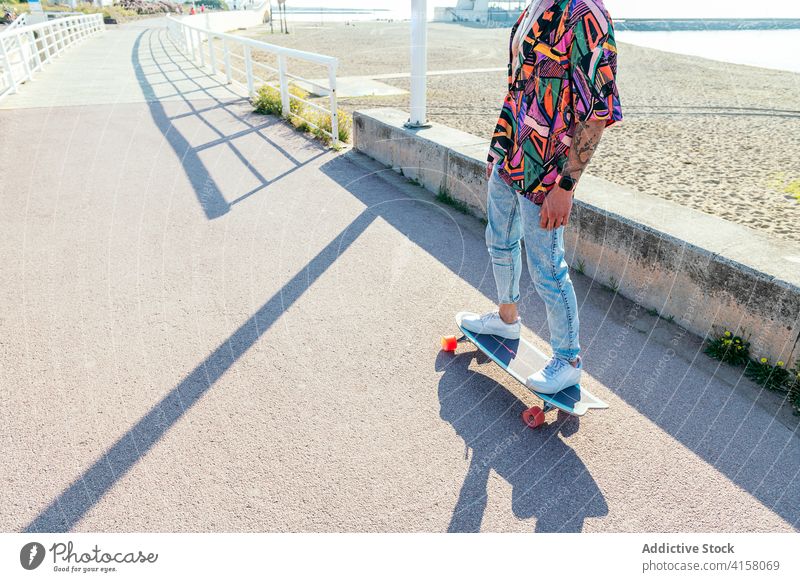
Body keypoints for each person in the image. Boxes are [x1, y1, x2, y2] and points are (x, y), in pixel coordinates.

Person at [458, 0, 622, 394]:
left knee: (548, 270)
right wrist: (498, 145)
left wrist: (566, 187)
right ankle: (506, 318)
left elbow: (597, 112)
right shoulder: (534, 6)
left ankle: (567, 360)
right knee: (498, 241)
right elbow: (518, 86)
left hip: (549, 174)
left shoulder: (586, 13)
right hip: (511, 156)